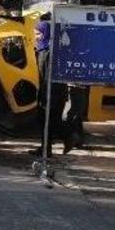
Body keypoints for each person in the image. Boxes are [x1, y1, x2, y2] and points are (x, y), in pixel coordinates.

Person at [31, 19, 68, 157]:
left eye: (38, 34)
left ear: (46, 33)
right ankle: (45, 149)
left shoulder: (48, 52)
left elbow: (48, 77)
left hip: (52, 93)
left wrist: (46, 96)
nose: (36, 37)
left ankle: (69, 136)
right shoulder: (43, 49)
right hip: (50, 92)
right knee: (46, 122)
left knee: (49, 122)